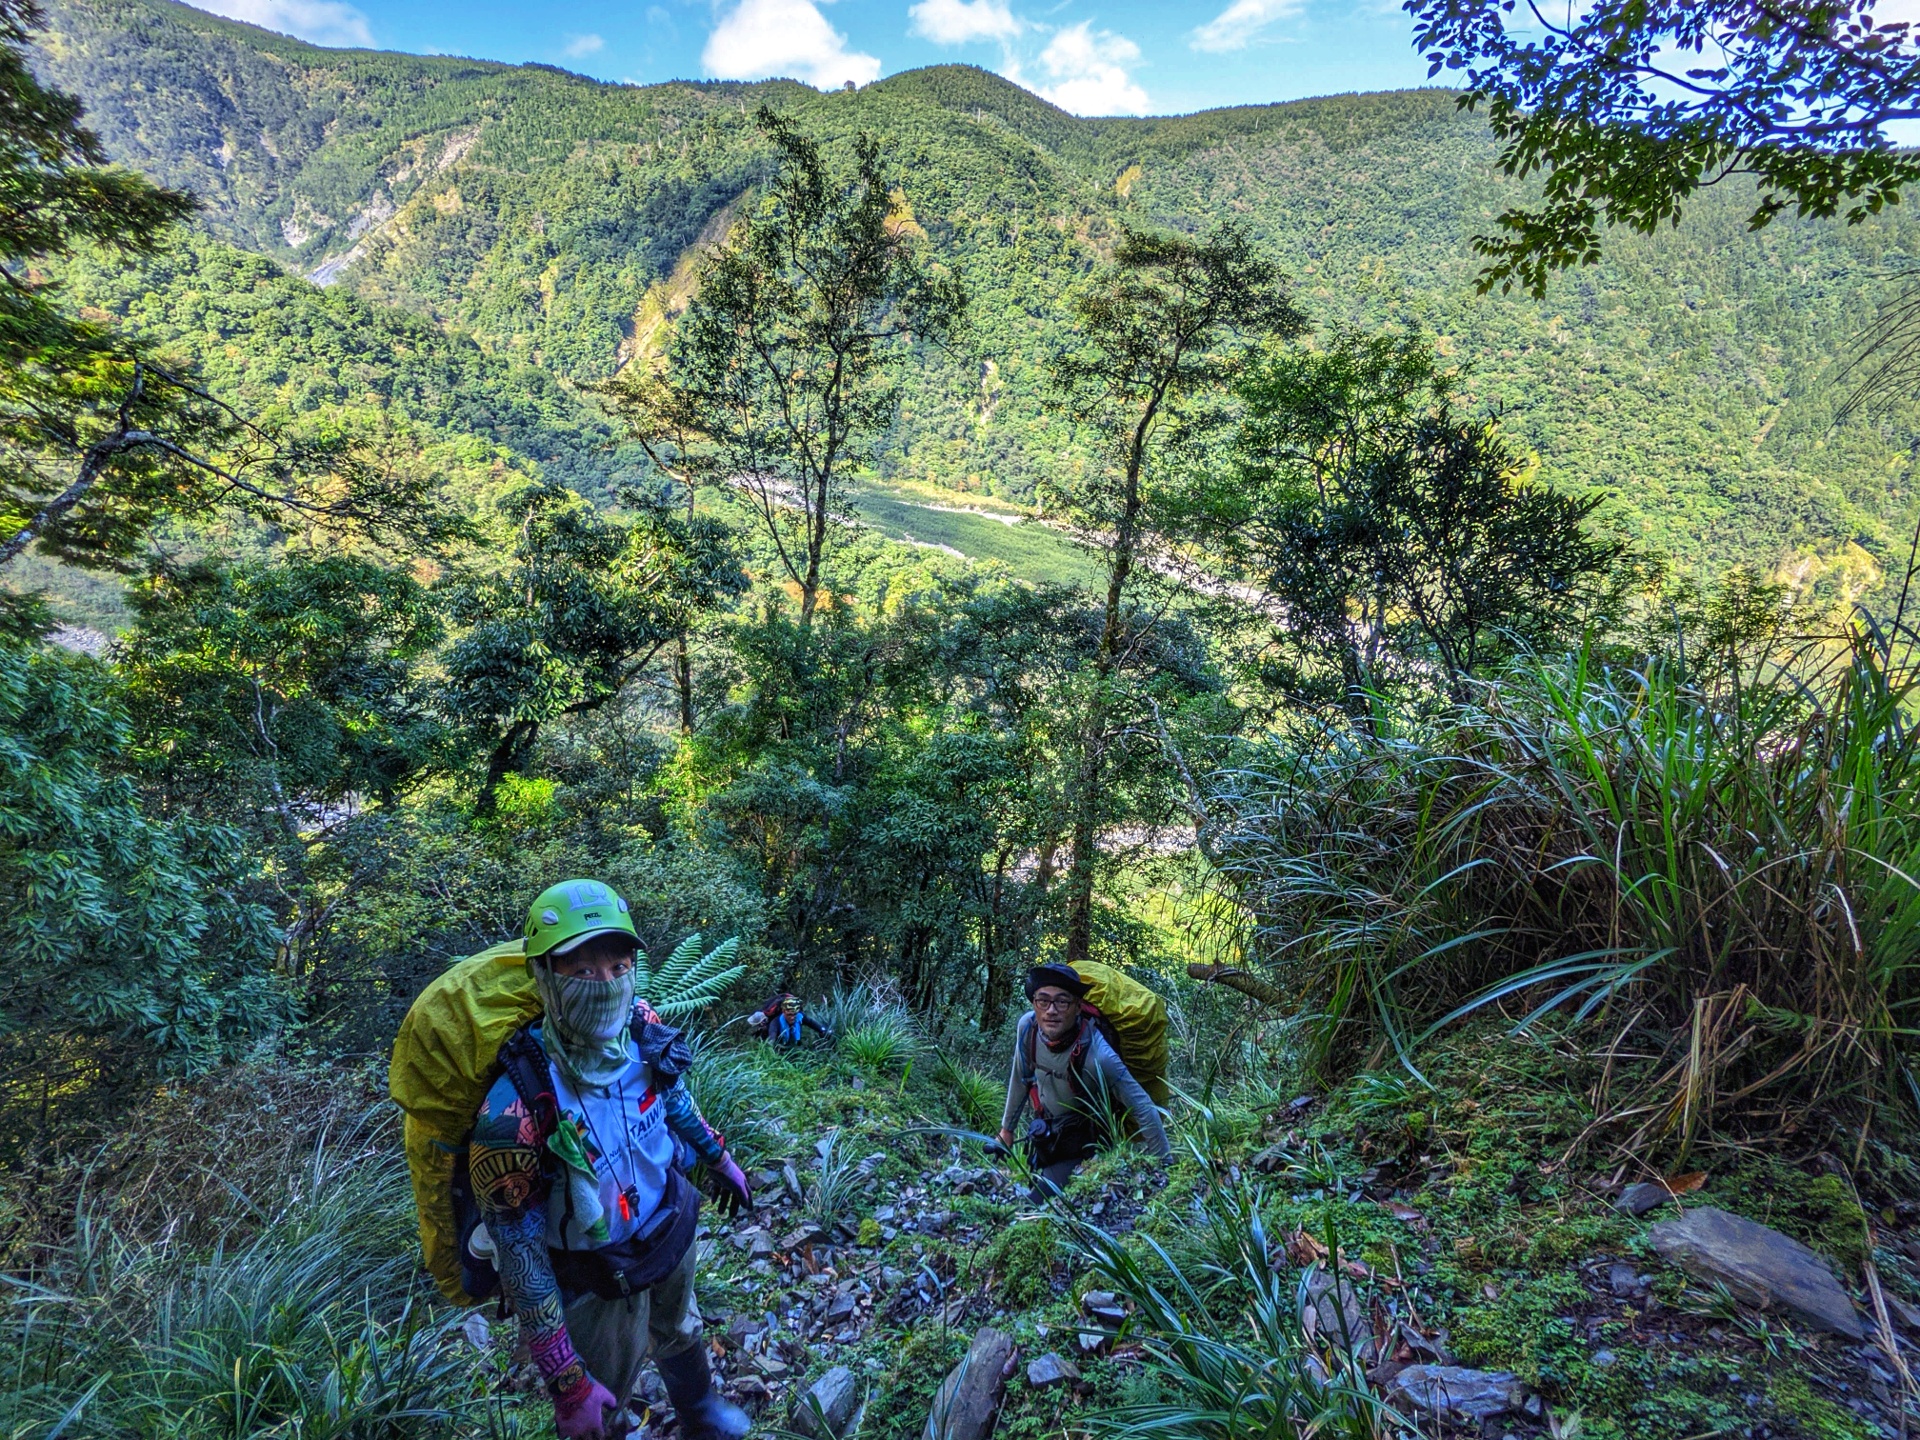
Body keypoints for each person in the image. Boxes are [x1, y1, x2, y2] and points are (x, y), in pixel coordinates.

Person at [468, 879, 754, 1440]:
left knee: (678, 1322)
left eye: (619, 968)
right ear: (545, 979)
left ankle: (698, 1410)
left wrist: (718, 1158)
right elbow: (521, 1259)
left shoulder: (640, 1029)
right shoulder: (513, 1111)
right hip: (592, 1271)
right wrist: (566, 1382)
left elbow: (672, 1096)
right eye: (582, 973)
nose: (606, 987)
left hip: (667, 1219)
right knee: (605, 1388)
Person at [997, 963, 1171, 1196]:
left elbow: (1143, 1108)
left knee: (1039, 1201)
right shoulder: (1027, 1028)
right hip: (1048, 1133)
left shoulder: (1099, 1056)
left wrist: (1165, 1170)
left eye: (1062, 1001)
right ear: (1033, 1004)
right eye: (1043, 1001)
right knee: (1038, 1189)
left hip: (1088, 1143)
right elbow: (1020, 1077)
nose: (1051, 1010)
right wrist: (1006, 1131)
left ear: (1078, 1007)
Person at [749, 993, 832, 1048]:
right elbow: (772, 1036)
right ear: (783, 1012)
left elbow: (812, 1024)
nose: (792, 1017)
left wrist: (824, 1031)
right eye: (789, 1015)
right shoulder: (775, 1022)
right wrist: (770, 1045)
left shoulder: (800, 1016)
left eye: (794, 1014)